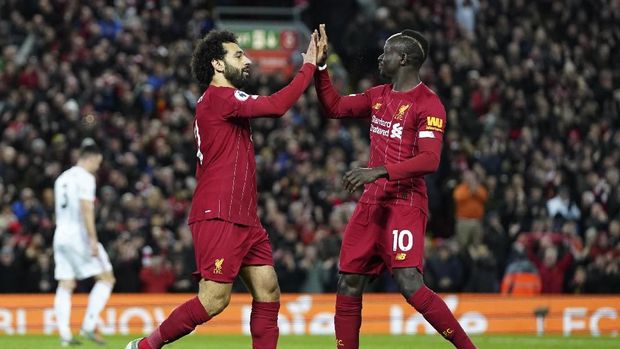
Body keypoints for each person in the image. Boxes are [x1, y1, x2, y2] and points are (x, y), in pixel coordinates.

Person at [125, 29, 318, 349]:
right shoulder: (220, 98)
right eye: (238, 55)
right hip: (219, 213)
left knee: (268, 290)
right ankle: (145, 347)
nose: (248, 60)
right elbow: (276, 105)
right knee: (214, 300)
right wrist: (308, 66)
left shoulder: (226, 103)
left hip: (245, 216)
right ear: (217, 64)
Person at [314, 25, 477, 349]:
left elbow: (430, 160)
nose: (380, 57)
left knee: (408, 282)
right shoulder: (378, 96)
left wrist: (378, 172)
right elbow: (334, 106)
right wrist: (321, 67)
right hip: (373, 202)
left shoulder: (429, 105)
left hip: (405, 200)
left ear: (403, 59)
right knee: (348, 281)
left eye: (386, 52)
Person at [53, 139, 115, 346]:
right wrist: (93, 240)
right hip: (78, 235)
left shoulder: (61, 178)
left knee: (66, 283)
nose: (98, 167)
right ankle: (88, 325)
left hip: (60, 235)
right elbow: (86, 208)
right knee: (106, 278)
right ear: (90, 158)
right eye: (98, 163)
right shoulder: (85, 178)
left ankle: (65, 336)